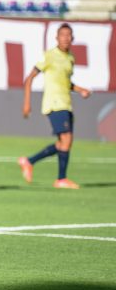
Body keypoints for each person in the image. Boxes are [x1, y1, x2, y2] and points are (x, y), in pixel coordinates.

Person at [18, 24, 91, 189]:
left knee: (63, 143)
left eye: (68, 35)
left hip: (66, 103)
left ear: (72, 38)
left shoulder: (70, 58)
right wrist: (27, 103)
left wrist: (81, 90)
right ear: (56, 38)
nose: (65, 38)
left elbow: (66, 83)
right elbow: (29, 78)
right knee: (67, 139)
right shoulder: (50, 56)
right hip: (54, 103)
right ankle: (61, 179)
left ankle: (29, 161)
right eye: (62, 35)